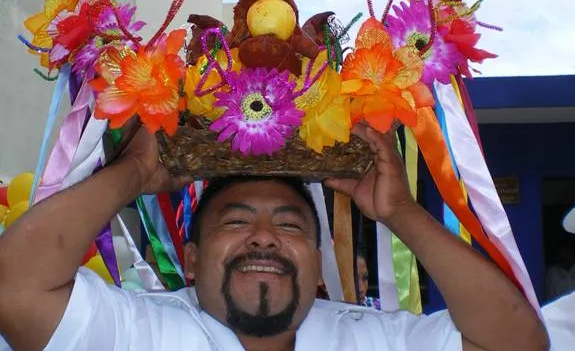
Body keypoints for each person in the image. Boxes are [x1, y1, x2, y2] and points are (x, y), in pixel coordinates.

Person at [0, 123, 548, 351]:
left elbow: (516, 343)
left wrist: (401, 211)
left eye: (289, 225)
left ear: (316, 259)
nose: (263, 238)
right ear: (190, 260)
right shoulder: (140, 331)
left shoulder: (368, 339)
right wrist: (135, 175)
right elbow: (15, 288)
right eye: (236, 222)